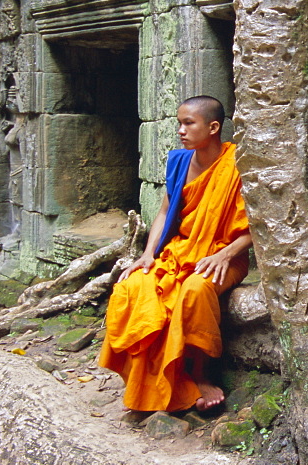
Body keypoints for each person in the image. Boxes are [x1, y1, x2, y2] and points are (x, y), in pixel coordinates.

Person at [99, 95, 253, 413]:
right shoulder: (180, 161)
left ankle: (203, 375)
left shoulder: (239, 164)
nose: (181, 130)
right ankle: (149, 377)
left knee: (195, 289)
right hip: (181, 250)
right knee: (132, 286)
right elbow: (166, 210)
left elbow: (259, 224)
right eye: (179, 123)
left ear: (212, 127)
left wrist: (226, 255)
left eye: (188, 123)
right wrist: (148, 254)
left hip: (227, 257)